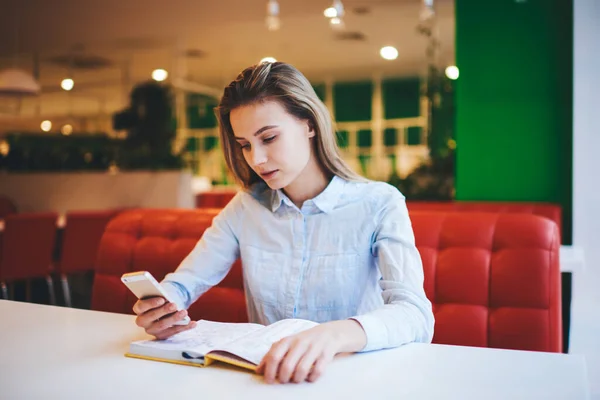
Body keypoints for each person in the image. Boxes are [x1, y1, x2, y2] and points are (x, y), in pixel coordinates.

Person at [132, 61, 434, 384]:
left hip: (354, 381)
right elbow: (183, 283)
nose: (256, 159)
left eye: (269, 138)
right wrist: (163, 306)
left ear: (309, 124)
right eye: (245, 145)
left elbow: (415, 315)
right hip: (268, 383)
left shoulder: (380, 204)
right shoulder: (245, 209)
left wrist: (332, 336)